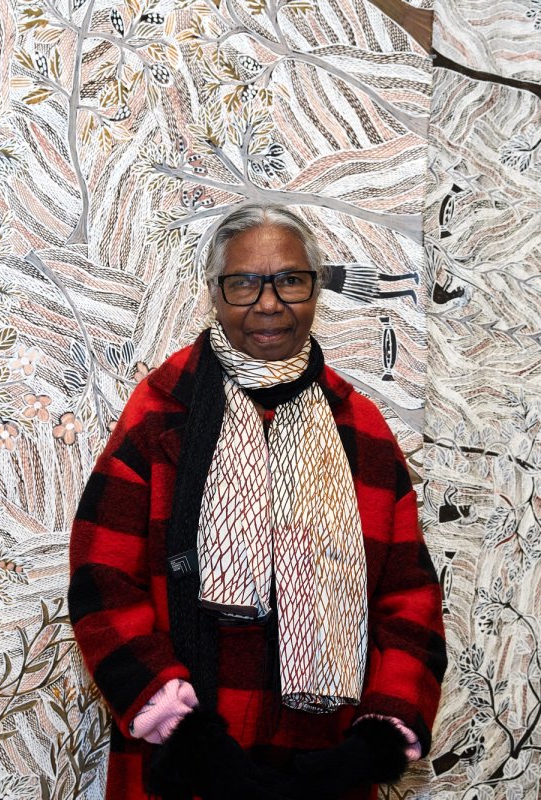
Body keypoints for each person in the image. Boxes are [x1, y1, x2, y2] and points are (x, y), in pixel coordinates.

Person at [68, 203, 446, 800]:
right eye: (243, 282)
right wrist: (181, 728)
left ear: (315, 290)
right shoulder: (162, 413)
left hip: (323, 764)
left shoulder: (362, 428)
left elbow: (410, 596)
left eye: (290, 280)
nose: (268, 304)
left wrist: (374, 742)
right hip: (188, 757)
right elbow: (101, 580)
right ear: (214, 295)